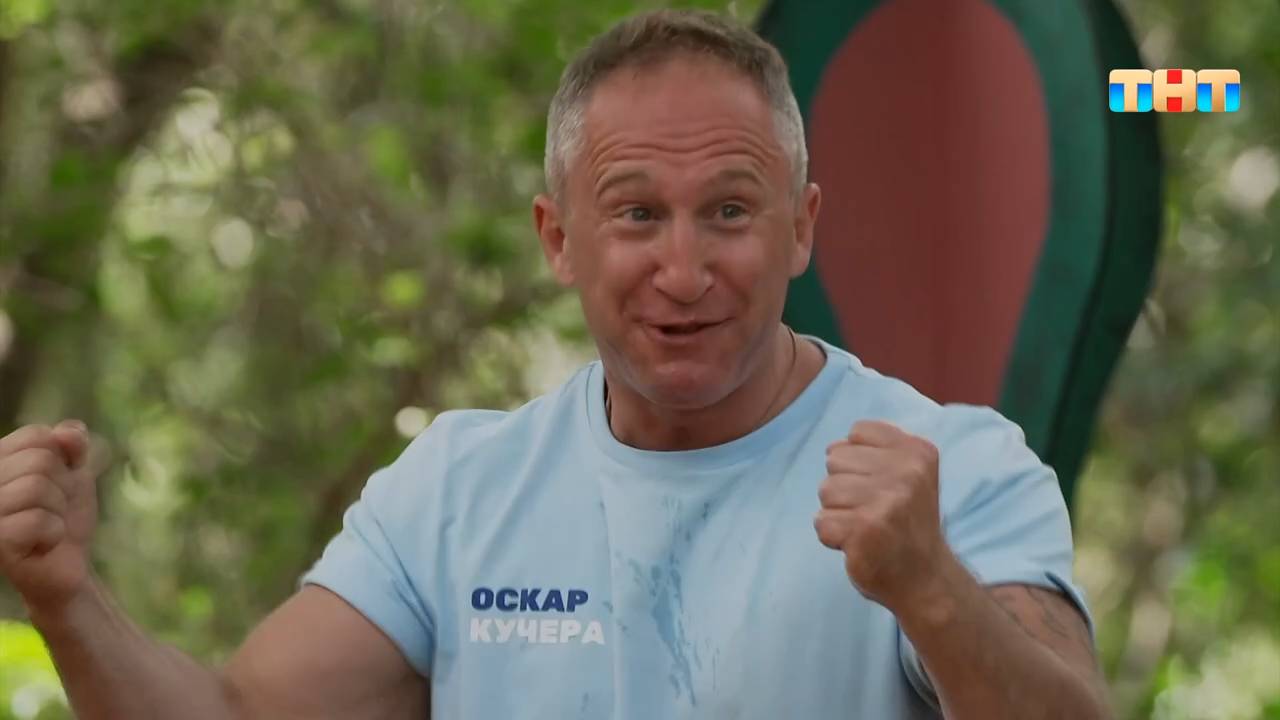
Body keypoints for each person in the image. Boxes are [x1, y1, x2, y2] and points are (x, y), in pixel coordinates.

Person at [0, 9, 1111, 719]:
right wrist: (67, 599)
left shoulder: (952, 469)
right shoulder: (459, 491)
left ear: (801, 228)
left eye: (729, 211)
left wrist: (929, 590)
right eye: (636, 214)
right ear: (558, 239)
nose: (685, 271)